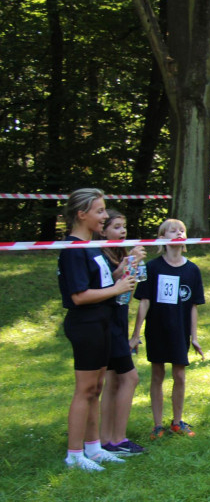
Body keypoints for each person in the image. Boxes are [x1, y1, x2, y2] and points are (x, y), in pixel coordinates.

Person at [57, 188, 136, 471]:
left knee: (96, 388)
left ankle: (94, 449)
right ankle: (74, 454)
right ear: (82, 215)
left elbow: (101, 283)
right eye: (100, 211)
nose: (104, 216)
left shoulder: (92, 246)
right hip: (86, 324)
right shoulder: (72, 249)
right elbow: (79, 296)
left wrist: (122, 270)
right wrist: (117, 287)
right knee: (85, 389)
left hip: (103, 322)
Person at [130, 219, 205, 438]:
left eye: (181, 230)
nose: (178, 233)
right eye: (172, 231)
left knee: (180, 375)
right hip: (157, 329)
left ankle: (177, 421)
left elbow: (193, 306)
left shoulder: (192, 270)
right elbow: (144, 301)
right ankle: (156, 425)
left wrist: (194, 336)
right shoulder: (152, 267)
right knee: (157, 374)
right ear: (162, 238)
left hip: (179, 331)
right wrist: (135, 334)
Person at [99, 211, 147, 456]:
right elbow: (109, 283)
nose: (122, 231)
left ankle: (106, 438)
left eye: (124, 226)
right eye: (116, 227)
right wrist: (129, 263)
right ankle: (117, 440)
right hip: (108, 325)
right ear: (103, 231)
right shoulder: (101, 256)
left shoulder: (118, 254)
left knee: (113, 381)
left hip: (118, 320)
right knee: (130, 378)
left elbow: (126, 288)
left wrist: (134, 266)